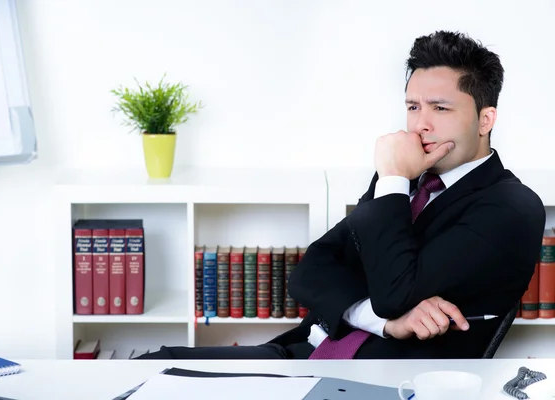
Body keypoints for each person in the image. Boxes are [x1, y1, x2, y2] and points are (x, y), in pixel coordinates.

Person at [137, 30, 546, 360]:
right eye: (412, 106)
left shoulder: (510, 207)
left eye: (440, 109)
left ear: (485, 119)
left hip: (376, 378)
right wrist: (384, 321)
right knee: (156, 365)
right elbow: (311, 269)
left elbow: (394, 294)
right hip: (299, 353)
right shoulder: (404, 180)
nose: (420, 125)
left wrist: (391, 180)